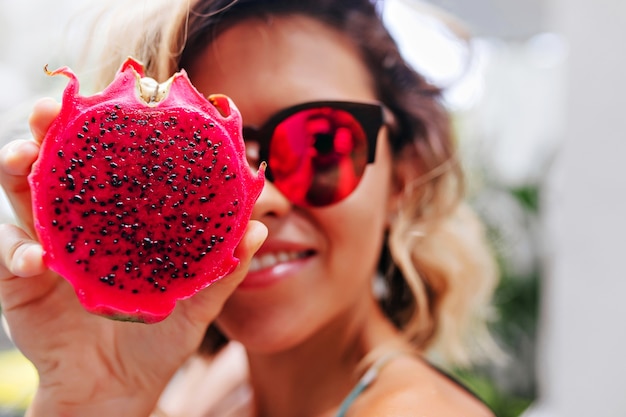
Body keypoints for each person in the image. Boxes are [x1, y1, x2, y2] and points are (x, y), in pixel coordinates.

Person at [0, 0, 499, 415]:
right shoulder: (219, 386)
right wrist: (91, 398)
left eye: (318, 146)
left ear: (402, 183)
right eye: (207, 162)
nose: (261, 198)